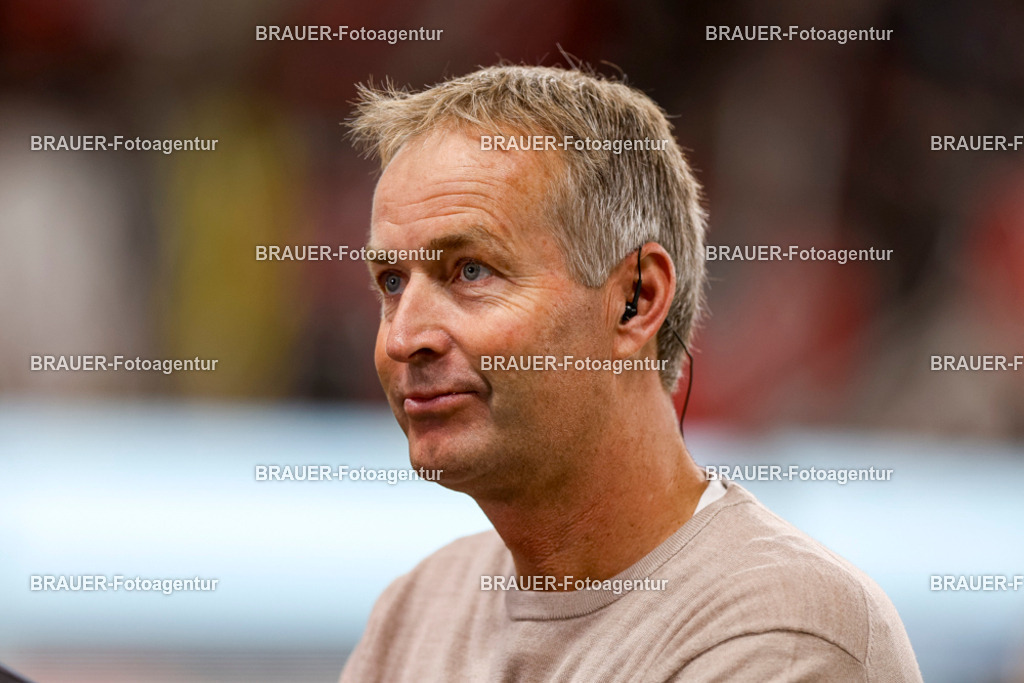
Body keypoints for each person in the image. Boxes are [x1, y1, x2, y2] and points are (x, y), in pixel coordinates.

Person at [340, 64, 922, 681]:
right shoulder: (417, 610)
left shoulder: (781, 634)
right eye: (392, 283)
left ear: (636, 300)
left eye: (471, 271)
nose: (404, 337)